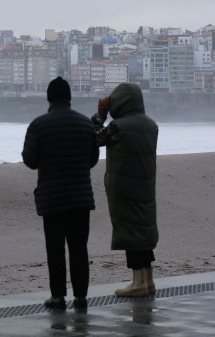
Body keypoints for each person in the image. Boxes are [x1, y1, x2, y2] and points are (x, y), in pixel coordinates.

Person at [21, 76, 99, 310]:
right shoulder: (86, 124)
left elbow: (30, 160)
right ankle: (81, 297)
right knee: (79, 248)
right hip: (80, 198)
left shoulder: (39, 125)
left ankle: (57, 296)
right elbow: (93, 160)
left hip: (52, 198)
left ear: (49, 98)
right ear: (69, 98)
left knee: (54, 248)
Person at [92, 82, 159, 297]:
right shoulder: (150, 125)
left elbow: (91, 138)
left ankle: (138, 282)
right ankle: (148, 281)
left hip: (124, 188)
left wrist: (100, 116)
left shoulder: (119, 126)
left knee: (131, 233)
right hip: (145, 185)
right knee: (143, 231)